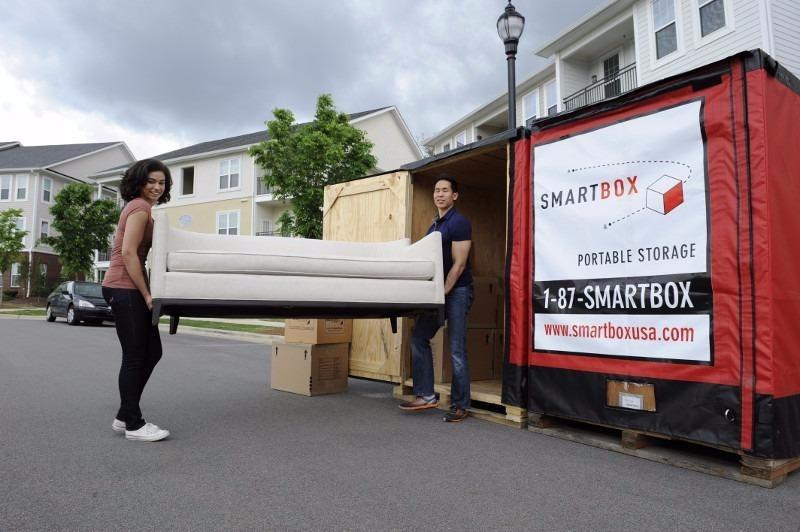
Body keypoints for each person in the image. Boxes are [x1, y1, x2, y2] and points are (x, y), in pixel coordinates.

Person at [102, 159, 172, 442]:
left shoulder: (143, 209)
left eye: (162, 182)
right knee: (134, 356)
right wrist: (146, 294)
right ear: (139, 182)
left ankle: (124, 416)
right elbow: (129, 253)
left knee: (152, 352)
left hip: (127, 287)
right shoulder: (140, 208)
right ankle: (133, 424)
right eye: (151, 181)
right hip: (124, 287)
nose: (157, 187)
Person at [399, 176, 473, 422]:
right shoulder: (433, 227)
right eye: (437, 190)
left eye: (445, 190)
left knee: (456, 349)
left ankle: (461, 405)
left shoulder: (459, 222)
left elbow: (459, 264)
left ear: (455, 196)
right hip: (438, 292)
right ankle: (426, 395)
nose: (439, 194)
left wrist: (441, 293)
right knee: (418, 337)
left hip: (457, 291)